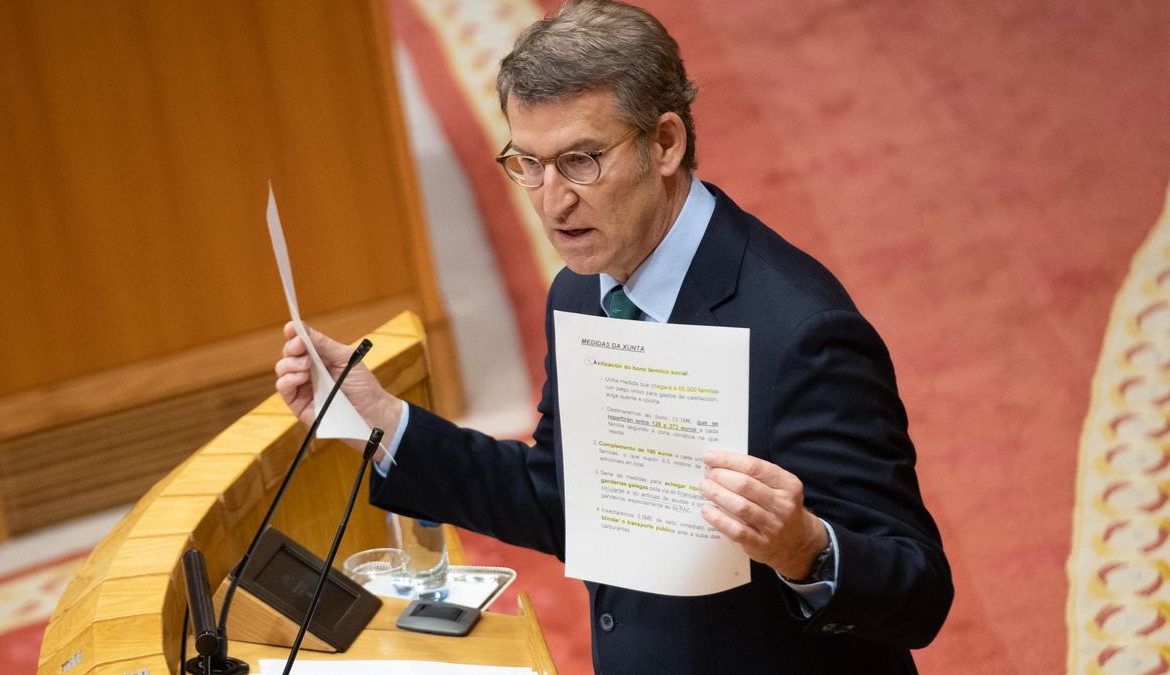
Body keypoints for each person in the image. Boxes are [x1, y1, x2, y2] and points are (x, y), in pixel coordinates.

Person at [275, 1, 952, 672]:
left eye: (580, 160)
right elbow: (566, 499)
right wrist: (383, 420)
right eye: (528, 162)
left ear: (665, 143)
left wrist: (807, 548)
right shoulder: (581, 291)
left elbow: (920, 593)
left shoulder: (802, 331)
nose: (551, 200)